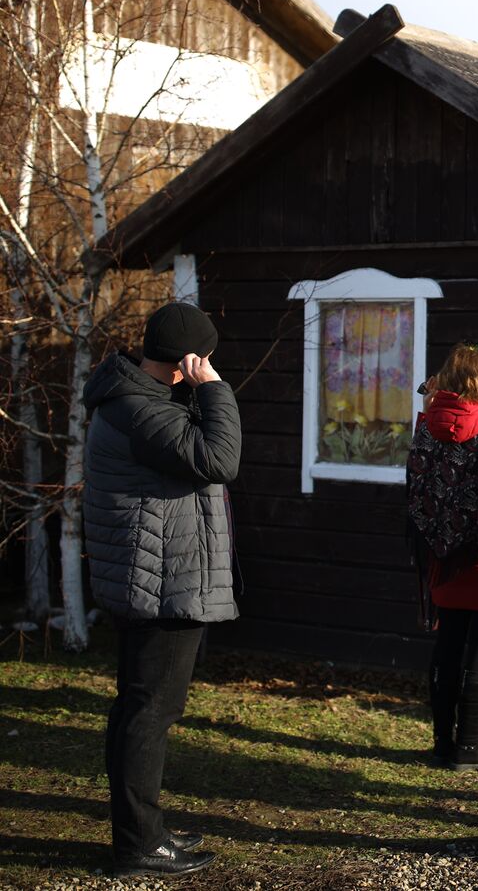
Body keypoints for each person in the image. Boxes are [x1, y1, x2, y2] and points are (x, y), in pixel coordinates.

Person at [82, 302, 242, 878]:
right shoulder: (141, 411)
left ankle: (142, 830)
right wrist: (215, 390)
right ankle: (139, 844)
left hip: (155, 574)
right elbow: (220, 458)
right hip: (160, 581)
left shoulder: (140, 401)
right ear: (191, 360)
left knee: (139, 708)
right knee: (150, 711)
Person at [406, 343, 478, 771]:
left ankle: (440, 745)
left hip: (442, 553)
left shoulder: (428, 422)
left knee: (447, 644)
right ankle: (468, 747)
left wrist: (429, 396)